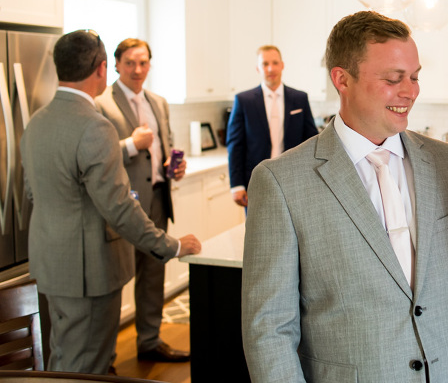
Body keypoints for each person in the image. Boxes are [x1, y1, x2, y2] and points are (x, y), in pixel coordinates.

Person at [241, 11, 448, 382]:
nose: (411, 91)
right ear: (342, 79)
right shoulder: (279, 181)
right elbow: (269, 328)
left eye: (415, 76)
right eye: (393, 79)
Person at [20, 29, 201, 375]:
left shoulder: (37, 122)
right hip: (89, 270)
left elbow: (33, 193)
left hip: (50, 263)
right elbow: (118, 208)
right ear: (104, 69)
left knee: (63, 357)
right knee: (88, 365)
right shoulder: (94, 125)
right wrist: (173, 245)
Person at [95, 38, 191, 362]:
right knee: (117, 279)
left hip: (158, 199)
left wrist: (172, 167)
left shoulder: (159, 102)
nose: (138, 70)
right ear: (116, 65)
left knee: (153, 275)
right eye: (130, 63)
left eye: (143, 62)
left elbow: (167, 143)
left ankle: (150, 341)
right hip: (122, 206)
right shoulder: (101, 104)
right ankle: (106, 358)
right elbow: (99, 157)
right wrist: (132, 145)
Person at [226, 45, 318, 207]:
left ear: (282, 65)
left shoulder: (300, 98)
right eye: (264, 64)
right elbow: (235, 145)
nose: (270, 68)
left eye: (275, 63)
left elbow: (311, 141)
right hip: (256, 180)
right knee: (258, 231)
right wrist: (237, 184)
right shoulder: (243, 101)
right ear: (257, 68)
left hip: (294, 179)